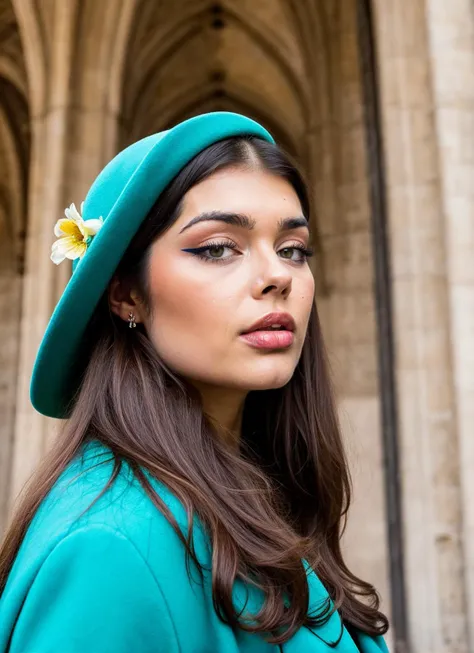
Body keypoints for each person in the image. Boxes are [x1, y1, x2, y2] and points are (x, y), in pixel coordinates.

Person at [0, 112, 389, 652]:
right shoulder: (111, 548)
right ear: (125, 294)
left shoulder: (239, 493)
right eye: (216, 248)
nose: (277, 276)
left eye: (292, 249)